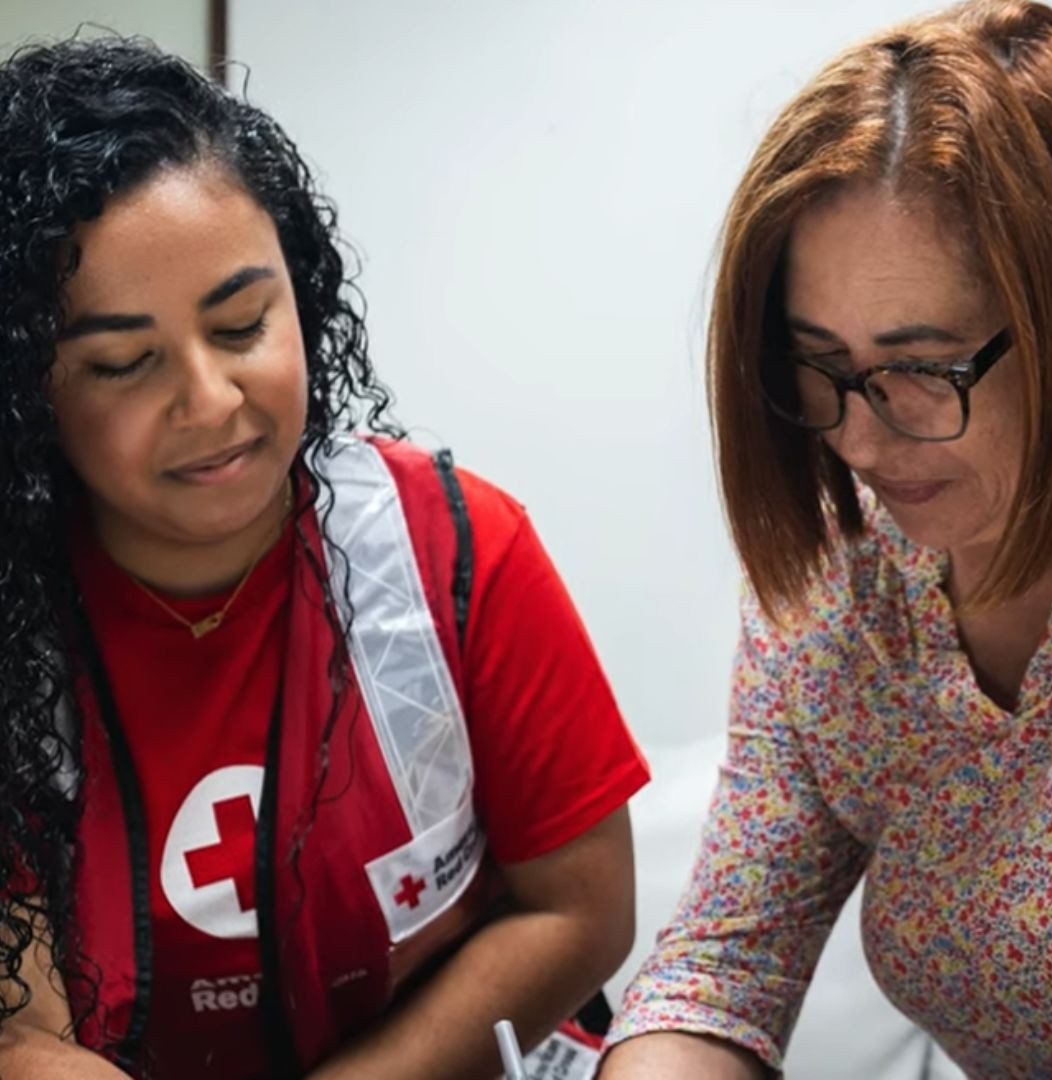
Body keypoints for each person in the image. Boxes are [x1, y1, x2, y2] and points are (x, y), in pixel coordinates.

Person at [0, 36, 649, 1080]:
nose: (211, 400)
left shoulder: (455, 550)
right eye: (123, 363)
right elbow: (22, 1033)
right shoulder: (18, 620)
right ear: (29, 390)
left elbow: (581, 910)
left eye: (242, 324)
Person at [600, 1, 1052, 1077]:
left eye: (926, 368)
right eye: (820, 364)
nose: (859, 439)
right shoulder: (843, 583)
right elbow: (724, 966)